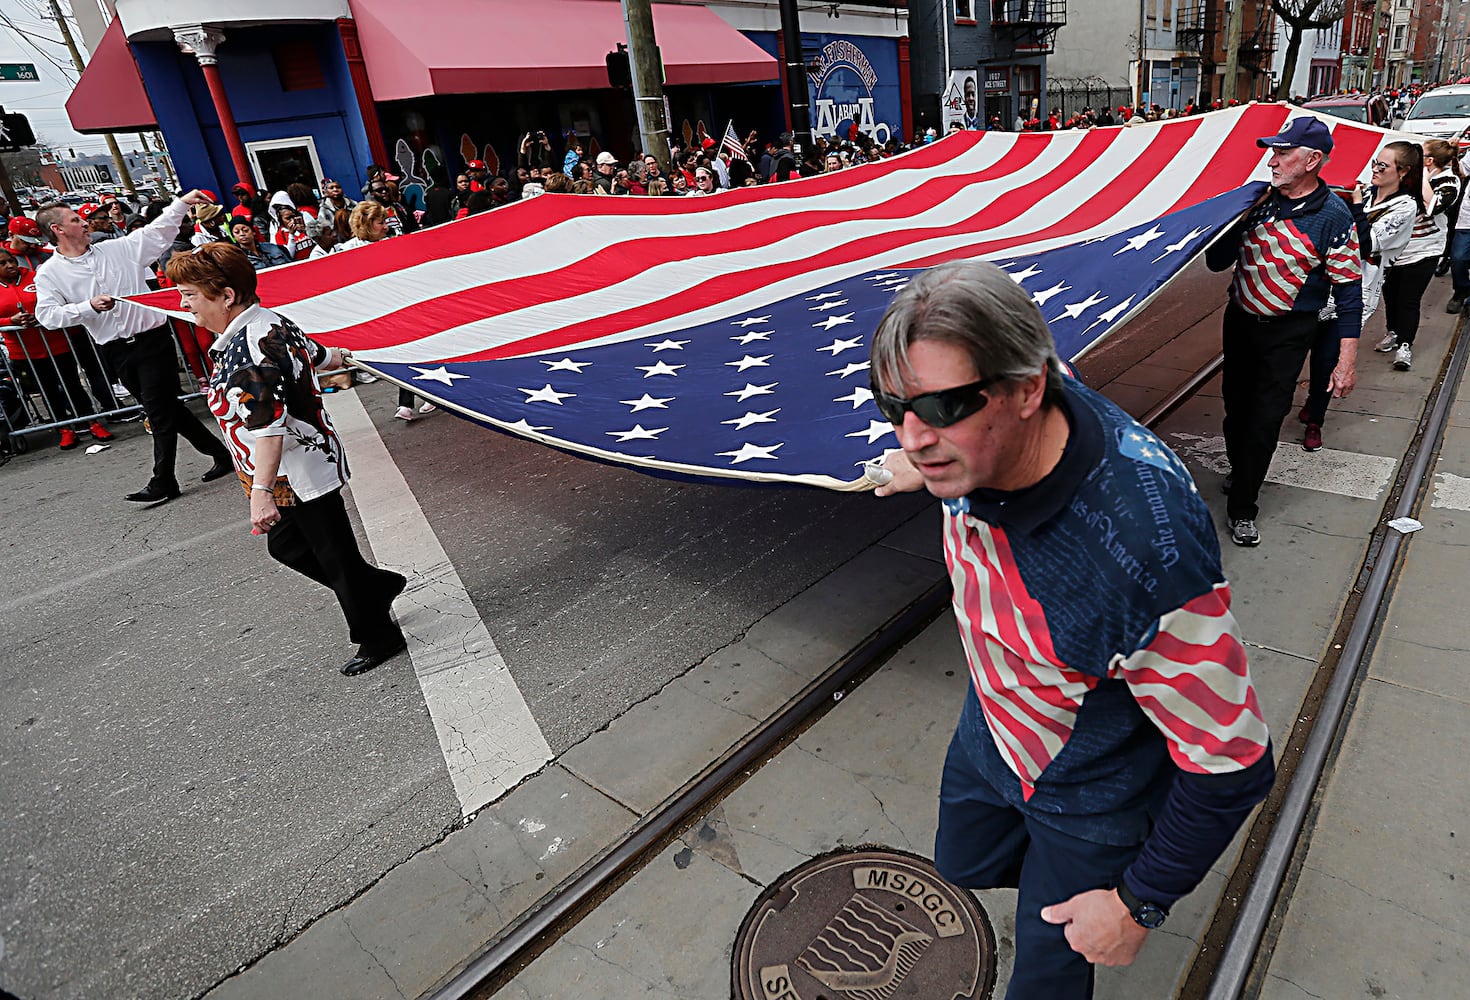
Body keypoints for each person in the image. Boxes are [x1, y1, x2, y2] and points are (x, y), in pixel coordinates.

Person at [871, 260, 1274, 1000]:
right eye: (892, 403)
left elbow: (1234, 761)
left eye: (945, 406)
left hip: (1090, 794)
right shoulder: (977, 436)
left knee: (1050, 972)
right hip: (993, 724)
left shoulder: (1148, 558)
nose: (915, 434)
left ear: (1029, 390)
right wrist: (923, 459)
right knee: (961, 864)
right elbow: (934, 426)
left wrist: (1136, 905)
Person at [163, 242, 409, 676]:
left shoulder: (251, 345)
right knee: (290, 547)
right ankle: (375, 587)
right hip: (291, 465)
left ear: (226, 295)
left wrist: (261, 492)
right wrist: (344, 356)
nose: (184, 304)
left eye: (190, 294)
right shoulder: (264, 324)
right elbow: (317, 354)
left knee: (331, 552)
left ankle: (377, 634)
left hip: (296, 467)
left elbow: (269, 427)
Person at [1204, 117, 1362, 548]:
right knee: (1235, 408)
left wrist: (1346, 362)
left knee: (1265, 418)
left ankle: (1243, 507)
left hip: (1290, 332)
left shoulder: (1333, 217)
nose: (1272, 160)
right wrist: (1238, 219)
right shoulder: (1258, 200)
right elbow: (1215, 261)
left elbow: (1349, 293)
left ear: (1312, 161)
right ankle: (1243, 470)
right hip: (1239, 321)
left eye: (1283, 152)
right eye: (1272, 151)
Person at [33, 191, 235, 505]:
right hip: (115, 351)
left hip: (152, 341)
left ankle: (163, 479)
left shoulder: (117, 249)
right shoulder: (49, 274)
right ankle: (223, 454)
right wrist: (87, 307)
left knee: (158, 411)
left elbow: (158, 233)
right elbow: (46, 315)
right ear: (58, 230)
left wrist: (182, 203)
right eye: (75, 220)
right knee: (169, 409)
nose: (84, 223)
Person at [0, 248, 112, 449]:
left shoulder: (36, 277)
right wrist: (11, 320)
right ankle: (64, 428)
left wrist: (42, 315)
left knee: (73, 385)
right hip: (24, 350)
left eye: (11, 261)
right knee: (48, 390)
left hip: (57, 343)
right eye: (3, 263)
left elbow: (60, 300)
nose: (10, 266)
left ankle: (91, 422)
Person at [1374, 140, 1451, 372]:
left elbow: (1433, 206)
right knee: (1390, 295)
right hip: (1394, 253)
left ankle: (1405, 345)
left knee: (1408, 300)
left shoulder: (1446, 181)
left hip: (1423, 251)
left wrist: (1423, 175)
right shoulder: (1392, 184)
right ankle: (1393, 332)